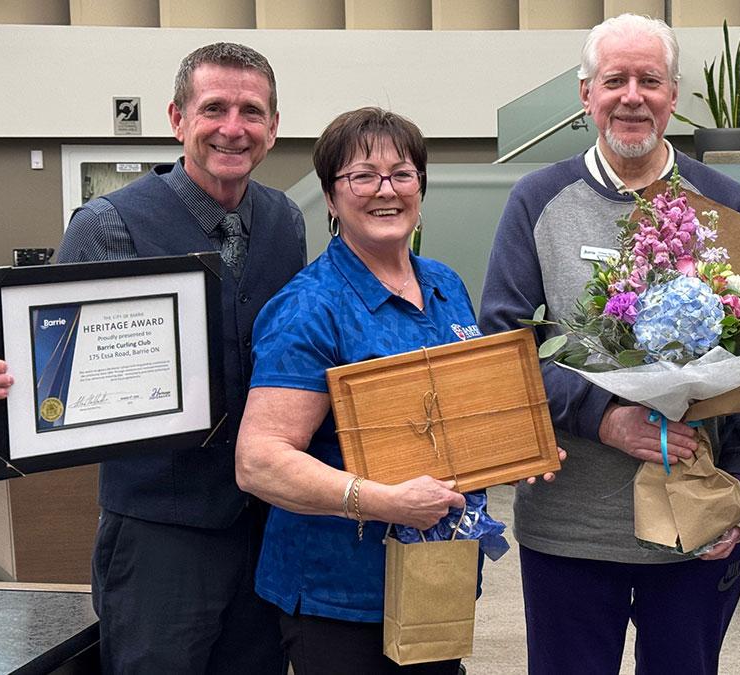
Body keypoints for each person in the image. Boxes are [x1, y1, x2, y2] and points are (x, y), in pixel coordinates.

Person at [0, 43, 305, 672]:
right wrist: (6, 383)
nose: (233, 128)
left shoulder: (286, 221)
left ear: (274, 127)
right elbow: (50, 358)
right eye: (214, 108)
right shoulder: (106, 224)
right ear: (177, 118)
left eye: (251, 111)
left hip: (267, 527)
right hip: (159, 534)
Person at [478, 14, 740, 675]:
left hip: (694, 527)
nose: (632, 95)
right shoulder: (537, 199)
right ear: (586, 95)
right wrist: (604, 416)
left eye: (649, 79)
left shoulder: (726, 200)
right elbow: (505, 345)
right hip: (568, 529)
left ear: (674, 94)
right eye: (614, 79)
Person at [236, 107, 556, 674]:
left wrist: (512, 448)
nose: (386, 190)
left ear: (421, 189)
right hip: (339, 599)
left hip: (439, 581)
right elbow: (259, 462)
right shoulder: (309, 307)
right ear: (332, 200)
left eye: (402, 174)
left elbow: (450, 419)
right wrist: (385, 502)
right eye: (362, 176)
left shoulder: (445, 285)